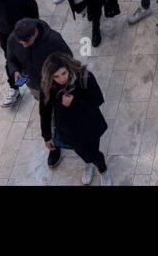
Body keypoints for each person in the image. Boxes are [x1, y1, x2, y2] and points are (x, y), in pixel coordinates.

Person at [39, 53, 112, 185]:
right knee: (80, 151)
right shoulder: (48, 86)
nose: (61, 79)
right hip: (67, 130)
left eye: (63, 73)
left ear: (68, 68)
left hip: (89, 125)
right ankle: (88, 163)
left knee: (93, 152)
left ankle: (103, 170)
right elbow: (44, 111)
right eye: (56, 76)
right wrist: (46, 136)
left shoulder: (84, 77)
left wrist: (75, 101)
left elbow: (98, 99)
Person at [6, 17, 72, 114]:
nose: (24, 46)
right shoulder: (13, 40)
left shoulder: (54, 40)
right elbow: (11, 59)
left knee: (62, 105)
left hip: (55, 84)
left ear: (35, 32)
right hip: (33, 84)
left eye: (27, 42)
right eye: (21, 43)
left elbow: (68, 59)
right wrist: (15, 70)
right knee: (43, 102)